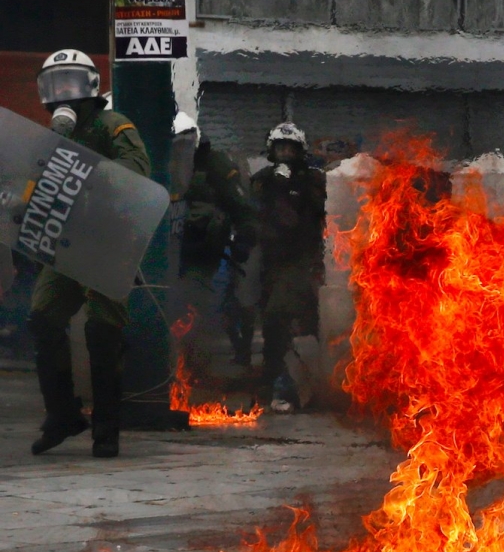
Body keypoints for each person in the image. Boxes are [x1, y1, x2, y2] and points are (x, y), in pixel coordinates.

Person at [29, 49, 151, 457]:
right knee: (43, 316)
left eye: (70, 82)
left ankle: (107, 427)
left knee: (102, 331)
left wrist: (87, 171)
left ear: (91, 86)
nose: (62, 93)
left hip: (108, 241)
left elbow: (138, 169)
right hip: (66, 240)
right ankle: (63, 414)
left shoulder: (111, 124)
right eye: (54, 84)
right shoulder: (52, 135)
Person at [172, 112, 260, 375]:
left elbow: (243, 209)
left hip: (204, 253)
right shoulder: (155, 161)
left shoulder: (216, 165)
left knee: (201, 306)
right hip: (165, 251)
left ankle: (195, 370)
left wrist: (243, 240)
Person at [250, 122, 327, 412]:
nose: (284, 153)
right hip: (267, 260)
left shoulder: (311, 180)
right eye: (280, 147)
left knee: (285, 317)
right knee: (269, 324)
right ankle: (271, 384)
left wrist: (293, 186)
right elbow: (253, 209)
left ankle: (291, 387)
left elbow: (317, 213)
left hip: (299, 261)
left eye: (290, 148)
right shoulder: (263, 179)